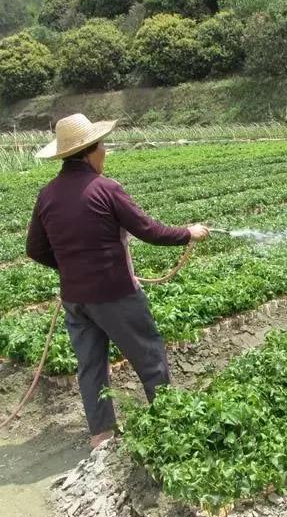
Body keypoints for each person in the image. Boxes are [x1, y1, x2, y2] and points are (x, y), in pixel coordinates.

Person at [26, 113, 210, 449]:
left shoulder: (47, 194)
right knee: (149, 356)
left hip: (75, 300)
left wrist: (71, 269)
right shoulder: (106, 189)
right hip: (116, 295)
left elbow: (34, 249)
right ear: (90, 151)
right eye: (103, 146)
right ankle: (168, 421)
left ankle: (101, 436)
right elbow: (149, 230)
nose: (105, 152)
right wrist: (189, 233)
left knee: (91, 365)